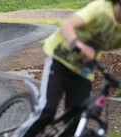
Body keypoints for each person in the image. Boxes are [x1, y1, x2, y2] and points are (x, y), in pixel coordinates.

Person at [13, 0, 121, 136]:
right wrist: (79, 45)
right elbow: (67, 26)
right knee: (47, 110)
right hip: (59, 60)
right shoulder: (101, 9)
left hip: (83, 71)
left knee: (75, 124)